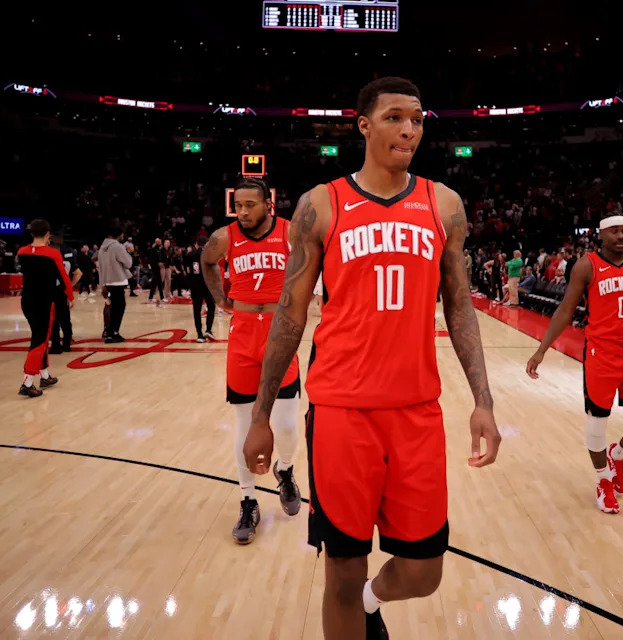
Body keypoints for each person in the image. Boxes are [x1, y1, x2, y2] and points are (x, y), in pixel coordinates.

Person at [243, 77, 501, 639]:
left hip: (416, 412)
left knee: (423, 571)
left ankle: (371, 600)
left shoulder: (444, 204)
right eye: (393, 117)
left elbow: (459, 307)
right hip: (341, 414)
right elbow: (290, 316)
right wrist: (261, 415)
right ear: (363, 125)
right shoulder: (321, 205)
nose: (408, 129)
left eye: (417, 118)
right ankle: (354, 601)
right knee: (340, 570)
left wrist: (483, 401)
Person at [526, 215, 623, 514]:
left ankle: (619, 453)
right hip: (601, 355)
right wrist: (542, 350)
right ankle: (603, 481)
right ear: (601, 235)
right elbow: (565, 310)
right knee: (597, 422)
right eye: (614, 231)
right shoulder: (586, 265)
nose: (621, 236)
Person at [201, 177, 303, 545]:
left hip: (280, 332)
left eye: (249, 205)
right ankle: (248, 500)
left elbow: (313, 270)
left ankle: (286, 470)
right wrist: (219, 299)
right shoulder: (225, 237)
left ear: (268, 205)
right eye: (238, 205)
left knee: (288, 426)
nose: (242, 212)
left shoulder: (291, 233)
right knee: (244, 424)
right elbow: (207, 261)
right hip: (243, 332)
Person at [16, 219, 74, 397]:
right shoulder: (52, 254)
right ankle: (27, 381)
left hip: (27, 300)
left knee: (38, 336)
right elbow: (64, 278)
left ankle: (45, 375)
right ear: (48, 234)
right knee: (40, 340)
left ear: (32, 233)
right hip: (44, 301)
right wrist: (70, 296)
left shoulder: (22, 252)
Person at [97, 224, 133, 343]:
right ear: (119, 234)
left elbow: (100, 266)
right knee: (119, 307)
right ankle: (113, 332)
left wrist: (102, 284)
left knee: (110, 306)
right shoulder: (117, 246)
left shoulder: (102, 247)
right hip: (118, 280)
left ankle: (108, 330)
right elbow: (128, 263)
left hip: (107, 280)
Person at [50, 235, 81, 353]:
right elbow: (78, 273)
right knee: (65, 318)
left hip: (51, 290)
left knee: (53, 319)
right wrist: (69, 286)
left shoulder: (48, 258)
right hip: (63, 291)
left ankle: (55, 345)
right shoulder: (68, 257)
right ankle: (67, 344)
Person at [184, 237, 216, 342]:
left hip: (195, 285)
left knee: (196, 310)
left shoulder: (190, 254)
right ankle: (208, 329)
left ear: (196, 244)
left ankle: (199, 335)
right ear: (206, 244)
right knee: (211, 306)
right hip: (207, 285)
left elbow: (188, 270)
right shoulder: (209, 254)